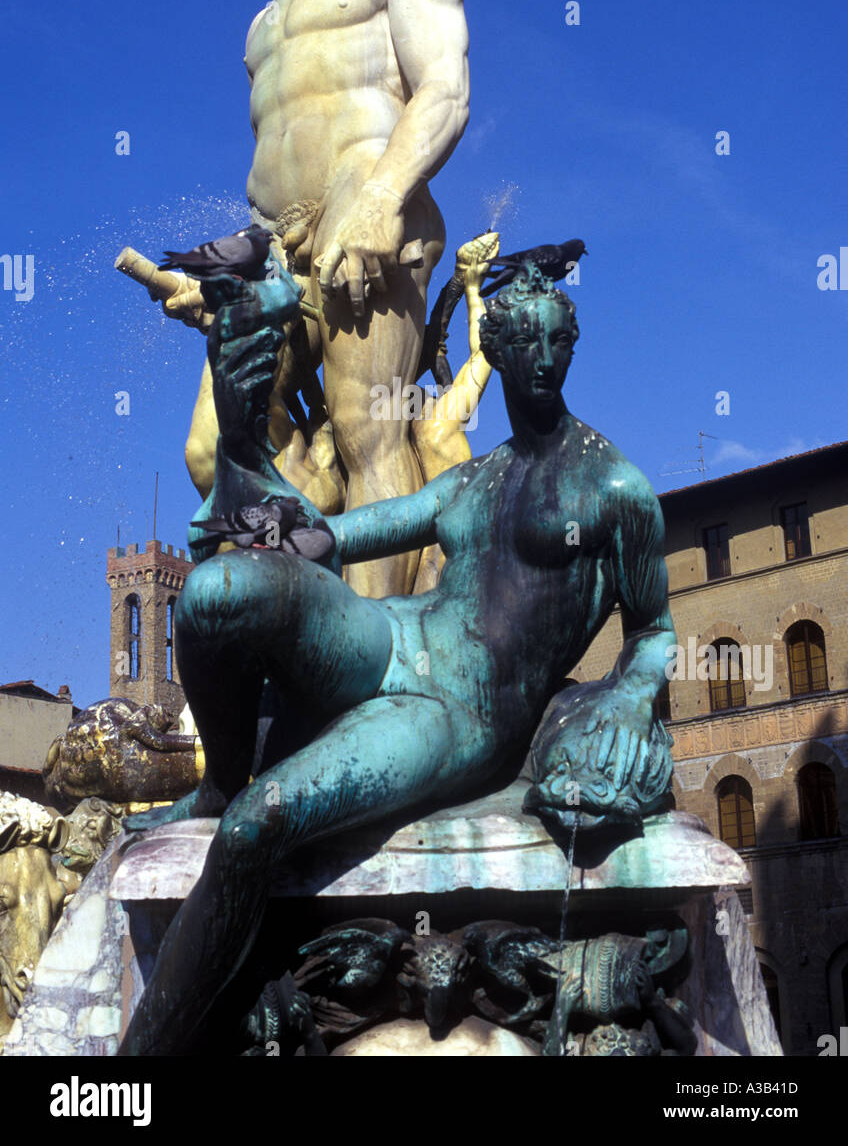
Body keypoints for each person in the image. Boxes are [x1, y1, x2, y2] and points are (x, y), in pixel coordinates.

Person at [119, 264, 676, 1055]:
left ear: (572, 347)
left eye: (558, 341)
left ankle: (129, 1076)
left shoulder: (616, 489)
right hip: (393, 634)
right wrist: (267, 526)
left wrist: (629, 695)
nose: (544, 358)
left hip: (455, 710)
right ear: (498, 348)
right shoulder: (476, 479)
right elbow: (344, 535)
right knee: (216, 593)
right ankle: (215, 781)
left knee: (256, 828)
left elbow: (654, 631)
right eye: (525, 341)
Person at [168, 0, 470, 596]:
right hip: (277, 245)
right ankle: (315, 602)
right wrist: (217, 280)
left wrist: (380, 198)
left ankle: (381, 659)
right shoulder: (261, 24)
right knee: (214, 449)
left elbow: (445, 92)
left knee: (370, 430)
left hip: (369, 200)